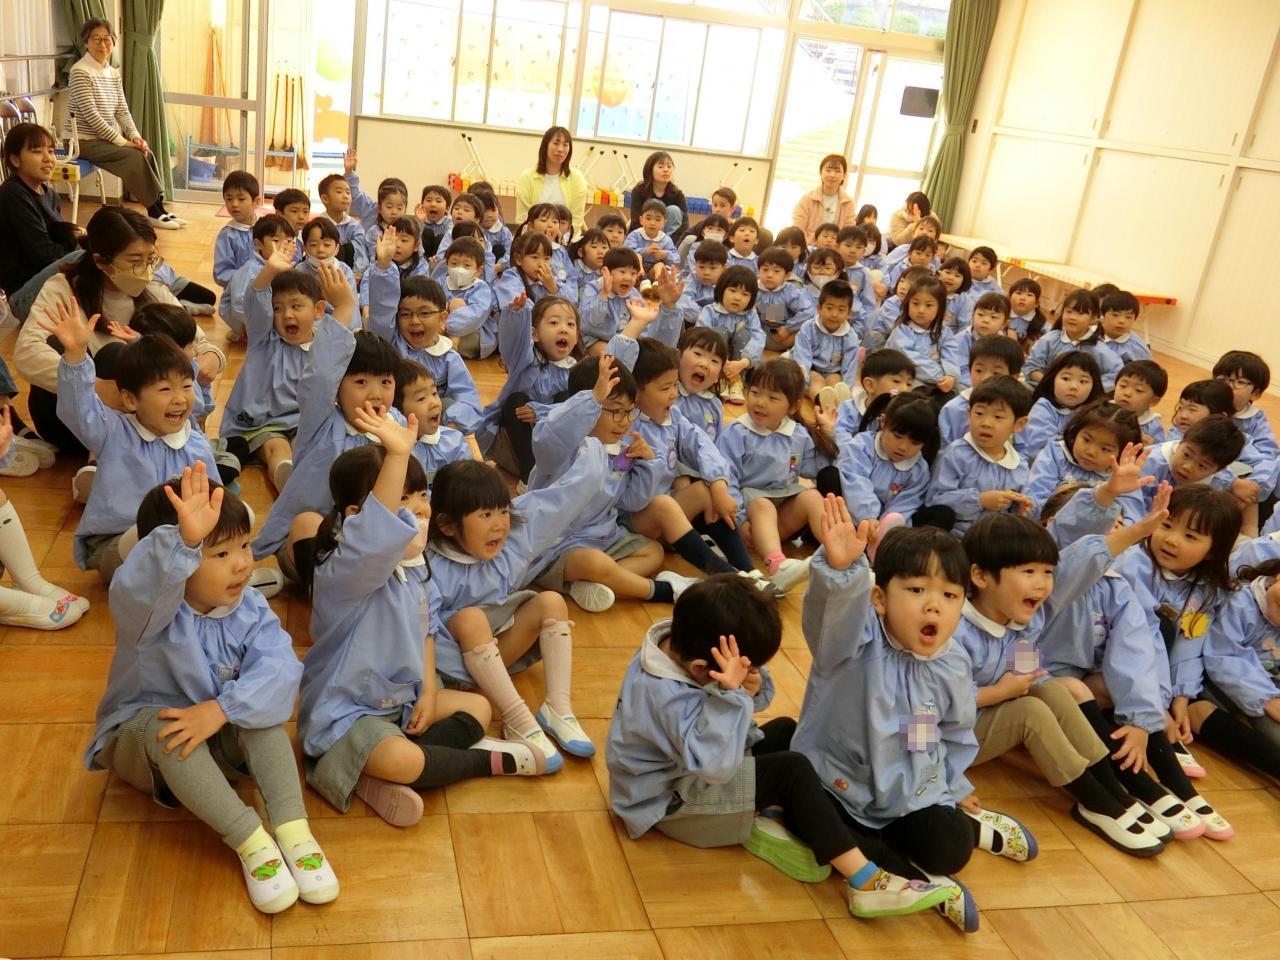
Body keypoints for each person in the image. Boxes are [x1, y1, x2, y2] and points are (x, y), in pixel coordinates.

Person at [606, 572, 959, 918]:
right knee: (792, 771)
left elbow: (727, 724)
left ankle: (791, 816)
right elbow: (713, 766)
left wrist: (750, 687)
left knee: (788, 733)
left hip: (688, 771)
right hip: (670, 804)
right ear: (701, 668)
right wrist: (730, 696)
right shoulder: (664, 695)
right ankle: (866, 880)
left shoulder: (684, 642)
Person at [84, 464, 338, 914]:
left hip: (216, 737)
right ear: (177, 563)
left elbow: (280, 668)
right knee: (167, 729)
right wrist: (181, 543)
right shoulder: (150, 617)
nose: (241, 563)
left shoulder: (250, 607)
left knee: (262, 714)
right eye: (219, 553)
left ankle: (294, 832)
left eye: (244, 546)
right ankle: (252, 842)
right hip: (144, 749)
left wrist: (223, 710)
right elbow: (136, 590)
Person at [298, 422, 546, 828]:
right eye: (402, 498)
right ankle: (476, 762)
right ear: (357, 519)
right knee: (405, 759)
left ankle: (369, 774)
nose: (418, 507)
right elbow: (375, 537)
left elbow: (426, 631)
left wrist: (429, 692)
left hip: (401, 702)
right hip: (347, 713)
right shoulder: (344, 571)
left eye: (421, 495)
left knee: (479, 708)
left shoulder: (415, 566)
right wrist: (398, 455)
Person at [792, 513, 986, 933]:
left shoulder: (953, 662)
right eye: (916, 590)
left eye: (950, 595)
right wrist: (839, 575)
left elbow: (953, 731)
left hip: (905, 793)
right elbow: (828, 625)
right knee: (805, 804)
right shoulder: (854, 641)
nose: (933, 605)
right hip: (838, 783)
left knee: (952, 845)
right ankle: (898, 875)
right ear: (879, 599)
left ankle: (887, 856)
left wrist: (953, 786)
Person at [16, 208, 225, 456]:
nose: (145, 270)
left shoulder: (153, 289)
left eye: (151, 259)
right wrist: (93, 386)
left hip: (142, 421)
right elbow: (27, 352)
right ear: (100, 261)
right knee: (111, 352)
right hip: (76, 420)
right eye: (134, 261)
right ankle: (100, 460)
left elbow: (195, 338)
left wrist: (212, 356)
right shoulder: (63, 290)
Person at [42, 299, 219, 582]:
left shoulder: (195, 441)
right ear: (130, 399)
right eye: (164, 389)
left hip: (183, 535)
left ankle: (196, 569)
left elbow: (212, 500)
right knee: (154, 551)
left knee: (220, 531)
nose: (179, 398)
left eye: (186, 386)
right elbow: (78, 410)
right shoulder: (113, 431)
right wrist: (75, 356)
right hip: (118, 541)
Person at [526, 356, 697, 612]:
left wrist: (647, 463)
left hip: (602, 537)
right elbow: (548, 435)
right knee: (595, 563)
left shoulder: (620, 448)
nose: (624, 420)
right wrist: (593, 399)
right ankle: (663, 591)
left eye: (629, 411)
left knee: (653, 552)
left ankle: (588, 585)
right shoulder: (561, 449)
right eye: (615, 410)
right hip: (556, 547)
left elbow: (632, 501)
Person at [717, 359, 837, 592]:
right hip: (751, 516)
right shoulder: (737, 432)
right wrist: (739, 521)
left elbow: (817, 469)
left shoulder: (798, 434)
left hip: (782, 515)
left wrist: (828, 432)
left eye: (772, 398)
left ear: (793, 406)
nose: (760, 402)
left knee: (813, 497)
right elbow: (726, 478)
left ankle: (841, 556)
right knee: (763, 505)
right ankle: (777, 566)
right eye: (755, 392)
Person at [69, 19, 184, 229]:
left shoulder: (113, 73)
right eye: (96, 39)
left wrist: (135, 137)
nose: (102, 44)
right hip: (82, 142)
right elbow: (92, 116)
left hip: (103, 141)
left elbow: (122, 111)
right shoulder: (80, 71)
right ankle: (153, 212)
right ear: (86, 42)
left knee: (145, 152)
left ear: (113, 42)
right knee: (133, 156)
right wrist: (123, 142)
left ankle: (159, 208)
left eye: (107, 39)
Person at [926, 376, 1033, 536]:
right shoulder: (956, 454)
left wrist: (1021, 510)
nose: (986, 423)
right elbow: (934, 500)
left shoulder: (1019, 467)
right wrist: (980, 500)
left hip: (996, 540)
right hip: (954, 538)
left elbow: (1017, 511)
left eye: (998, 417)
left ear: (1019, 424)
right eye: (979, 413)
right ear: (969, 414)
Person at [0, 122, 79, 315]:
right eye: (37, 152)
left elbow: (60, 239)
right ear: (15, 160)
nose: (48, 158)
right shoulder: (12, 193)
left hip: (51, 283)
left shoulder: (50, 195)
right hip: (23, 295)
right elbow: (44, 256)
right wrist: (77, 244)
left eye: (51, 151)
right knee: (84, 258)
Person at [1024, 289, 1123, 390]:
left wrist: (1089, 388)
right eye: (1069, 311)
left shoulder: (1098, 349)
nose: (1072, 317)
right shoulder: (1050, 339)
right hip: (1044, 389)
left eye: (1080, 313)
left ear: (1093, 318)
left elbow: (1117, 372)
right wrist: (1051, 383)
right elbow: (1032, 365)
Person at [1020, 351, 1105, 461]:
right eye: (1066, 378)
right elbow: (1041, 449)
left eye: (1083, 381)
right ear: (1052, 381)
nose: (1074, 387)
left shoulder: (1093, 412)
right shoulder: (1043, 409)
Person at [514, 126, 589, 234]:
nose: (560, 149)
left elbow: (576, 221)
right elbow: (522, 219)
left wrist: (562, 240)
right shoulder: (527, 178)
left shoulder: (577, 179)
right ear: (545, 145)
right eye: (556, 143)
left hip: (565, 240)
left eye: (565, 145)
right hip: (533, 239)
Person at [791, 154, 857, 244]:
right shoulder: (808, 198)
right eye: (828, 170)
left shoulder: (848, 203)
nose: (832, 175)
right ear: (821, 173)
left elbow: (848, 233)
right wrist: (808, 246)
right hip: (809, 246)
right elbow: (798, 227)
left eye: (837, 171)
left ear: (844, 175)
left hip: (835, 249)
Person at [212, 170, 260, 289]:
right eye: (229, 199)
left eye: (241, 199)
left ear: (255, 202)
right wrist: (250, 279)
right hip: (238, 292)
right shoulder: (227, 235)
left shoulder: (267, 227)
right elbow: (221, 273)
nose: (234, 204)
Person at [627, 151, 689, 241]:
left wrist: (666, 242)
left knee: (674, 210)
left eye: (669, 166)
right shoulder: (639, 191)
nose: (666, 170)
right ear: (650, 170)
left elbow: (685, 226)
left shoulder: (677, 194)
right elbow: (636, 222)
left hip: (668, 241)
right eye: (660, 166)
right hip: (643, 237)